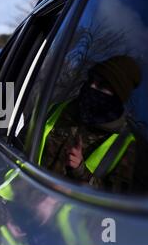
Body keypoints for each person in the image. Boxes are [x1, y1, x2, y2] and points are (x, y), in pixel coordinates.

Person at [39, 56, 141, 193]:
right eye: (91, 80)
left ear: (118, 96)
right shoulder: (58, 109)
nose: (92, 87)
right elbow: (20, 144)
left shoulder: (123, 144)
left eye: (102, 85)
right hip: (18, 198)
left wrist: (81, 171)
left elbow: (113, 201)